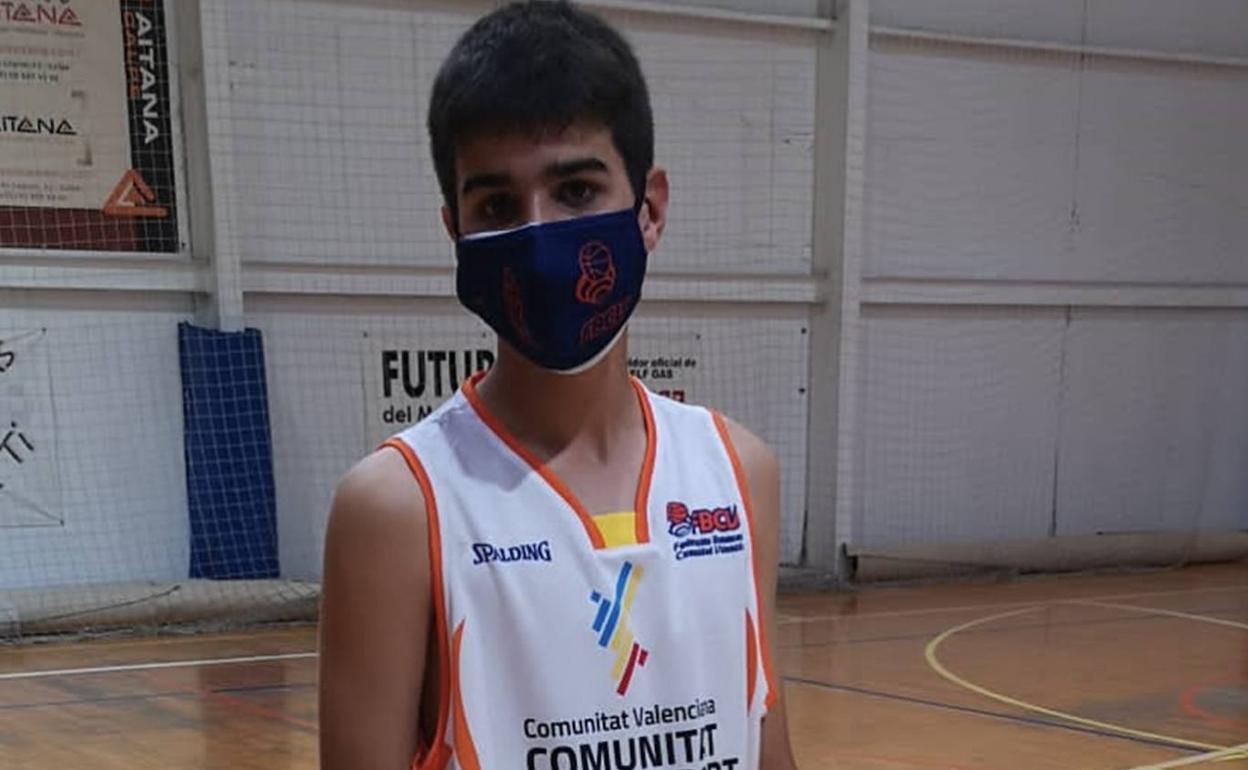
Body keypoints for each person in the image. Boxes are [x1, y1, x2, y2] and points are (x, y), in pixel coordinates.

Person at [318, 2, 798, 768]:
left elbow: (761, 736)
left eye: (575, 192)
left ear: (650, 209)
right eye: (499, 205)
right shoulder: (399, 508)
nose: (540, 238)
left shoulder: (740, 474)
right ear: (457, 233)